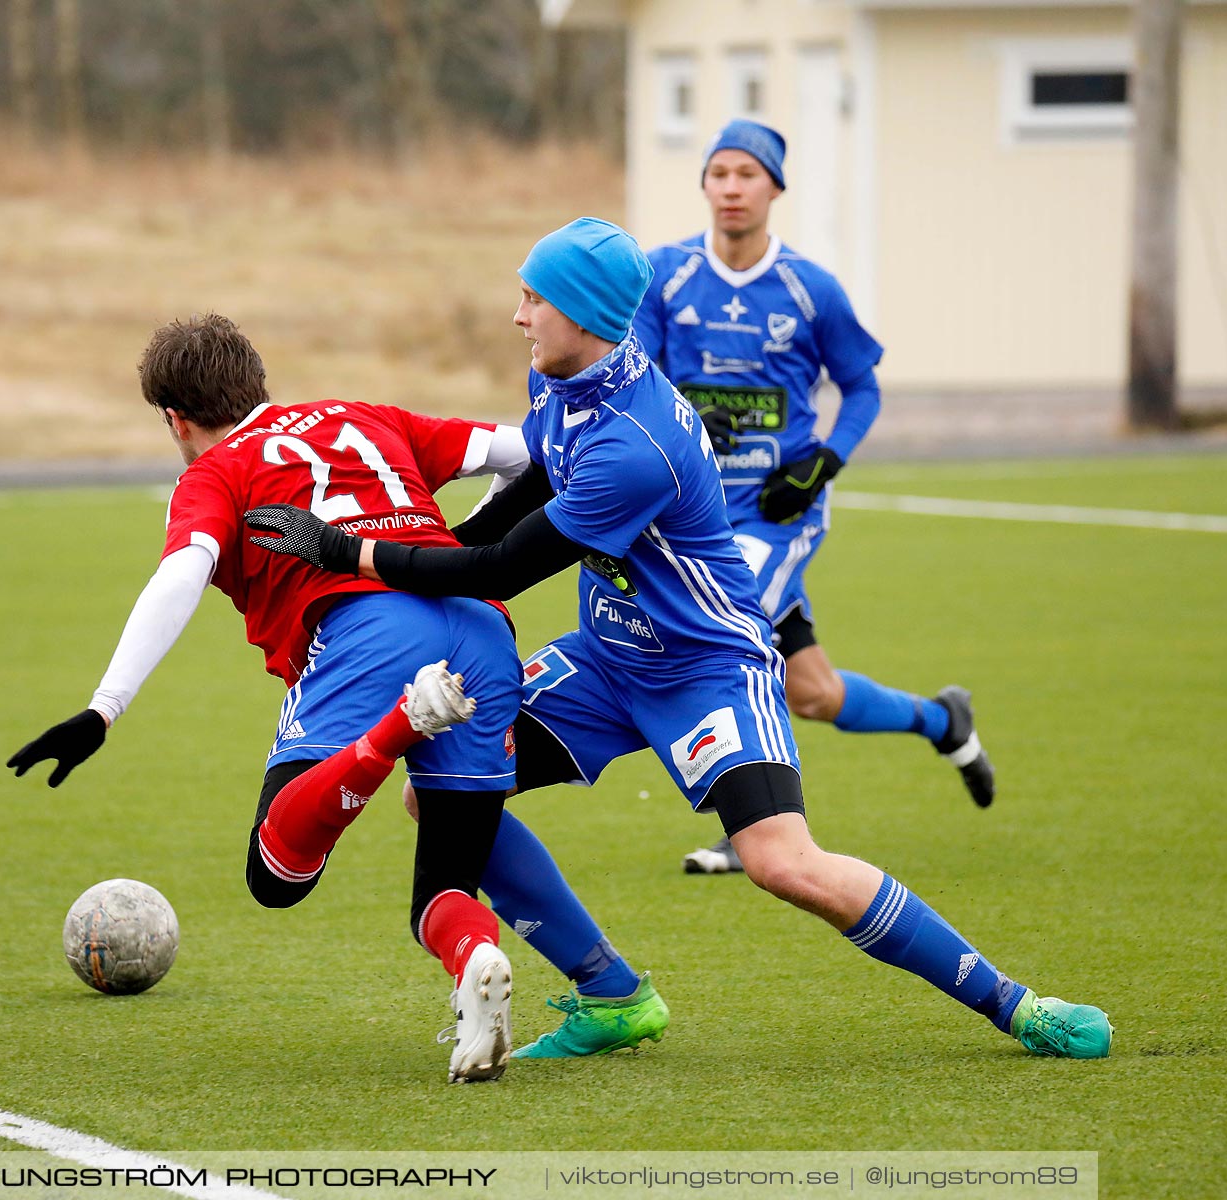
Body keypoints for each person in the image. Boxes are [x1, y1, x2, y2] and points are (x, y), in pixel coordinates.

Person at [247, 218, 1112, 1060]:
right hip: (607, 660)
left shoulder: (636, 444)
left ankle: (1014, 1003)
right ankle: (615, 995)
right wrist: (430, 542)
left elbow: (502, 569)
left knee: (782, 862)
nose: (517, 317)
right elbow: (531, 488)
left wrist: (345, 550)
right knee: (445, 795)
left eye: (531, 300)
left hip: (707, 671)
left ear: (581, 315)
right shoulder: (561, 383)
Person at [6, 313, 534, 1082]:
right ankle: (475, 958)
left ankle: (400, 726)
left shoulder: (214, 471)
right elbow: (525, 453)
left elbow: (181, 572)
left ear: (174, 419)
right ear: (258, 384)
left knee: (276, 873)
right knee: (448, 879)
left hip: (370, 634)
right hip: (482, 631)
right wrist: (454, 552)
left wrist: (105, 706)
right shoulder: (368, 416)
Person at [631, 120, 995, 875]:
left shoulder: (810, 288)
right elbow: (635, 374)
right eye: (719, 173)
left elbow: (861, 384)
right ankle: (941, 719)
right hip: (688, 514)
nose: (731, 187)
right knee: (814, 693)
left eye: (747, 175)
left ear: (774, 189)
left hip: (774, 514)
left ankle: (753, 823)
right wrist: (681, 415)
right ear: (704, 185)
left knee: (725, 638)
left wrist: (824, 461)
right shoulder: (663, 277)